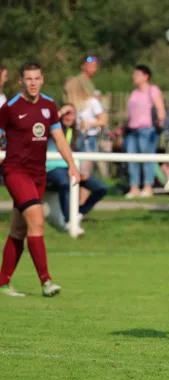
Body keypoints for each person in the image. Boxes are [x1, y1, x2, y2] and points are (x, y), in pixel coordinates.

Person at [0, 62, 80, 297]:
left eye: (36, 78)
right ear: (20, 81)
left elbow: (59, 138)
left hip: (38, 174)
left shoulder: (48, 105)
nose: (33, 83)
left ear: (42, 79)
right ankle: (46, 282)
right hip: (15, 172)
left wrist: (72, 165)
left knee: (18, 228)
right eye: (28, 79)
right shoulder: (10, 107)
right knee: (36, 219)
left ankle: (3, 281)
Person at [46, 104, 108, 235]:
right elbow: (44, 124)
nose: (68, 117)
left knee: (101, 188)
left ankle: (77, 213)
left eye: (71, 114)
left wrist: (83, 171)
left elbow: (84, 155)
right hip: (52, 168)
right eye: (66, 114)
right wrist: (61, 111)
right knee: (65, 181)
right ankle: (70, 221)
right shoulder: (51, 130)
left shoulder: (78, 134)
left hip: (72, 169)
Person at [125, 65, 166, 198]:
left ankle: (148, 187)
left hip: (147, 130)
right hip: (132, 130)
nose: (134, 77)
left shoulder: (152, 90)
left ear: (145, 76)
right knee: (132, 159)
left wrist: (160, 124)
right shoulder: (134, 92)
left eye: (137, 74)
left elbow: (160, 109)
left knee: (147, 159)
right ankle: (134, 187)